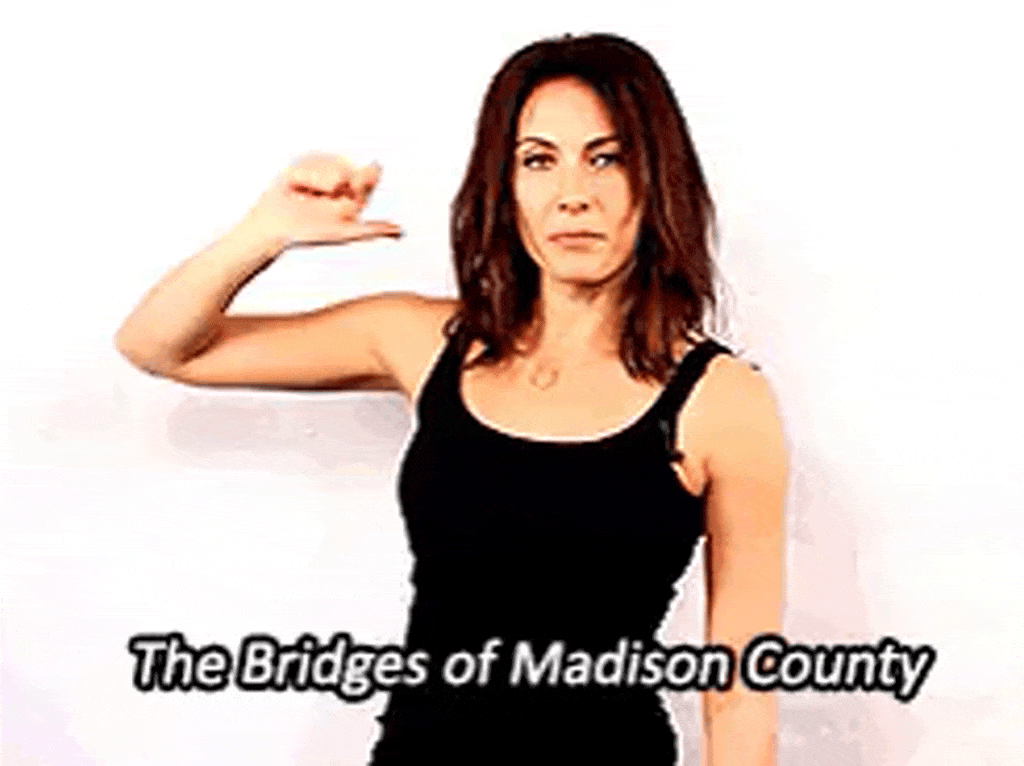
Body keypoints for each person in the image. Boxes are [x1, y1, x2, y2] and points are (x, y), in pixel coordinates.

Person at [116, 33, 786, 766]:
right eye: (538, 160)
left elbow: (739, 689)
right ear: (505, 185)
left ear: (658, 179)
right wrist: (263, 235)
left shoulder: (722, 401)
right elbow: (161, 347)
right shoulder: (424, 342)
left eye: (608, 158)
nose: (573, 194)